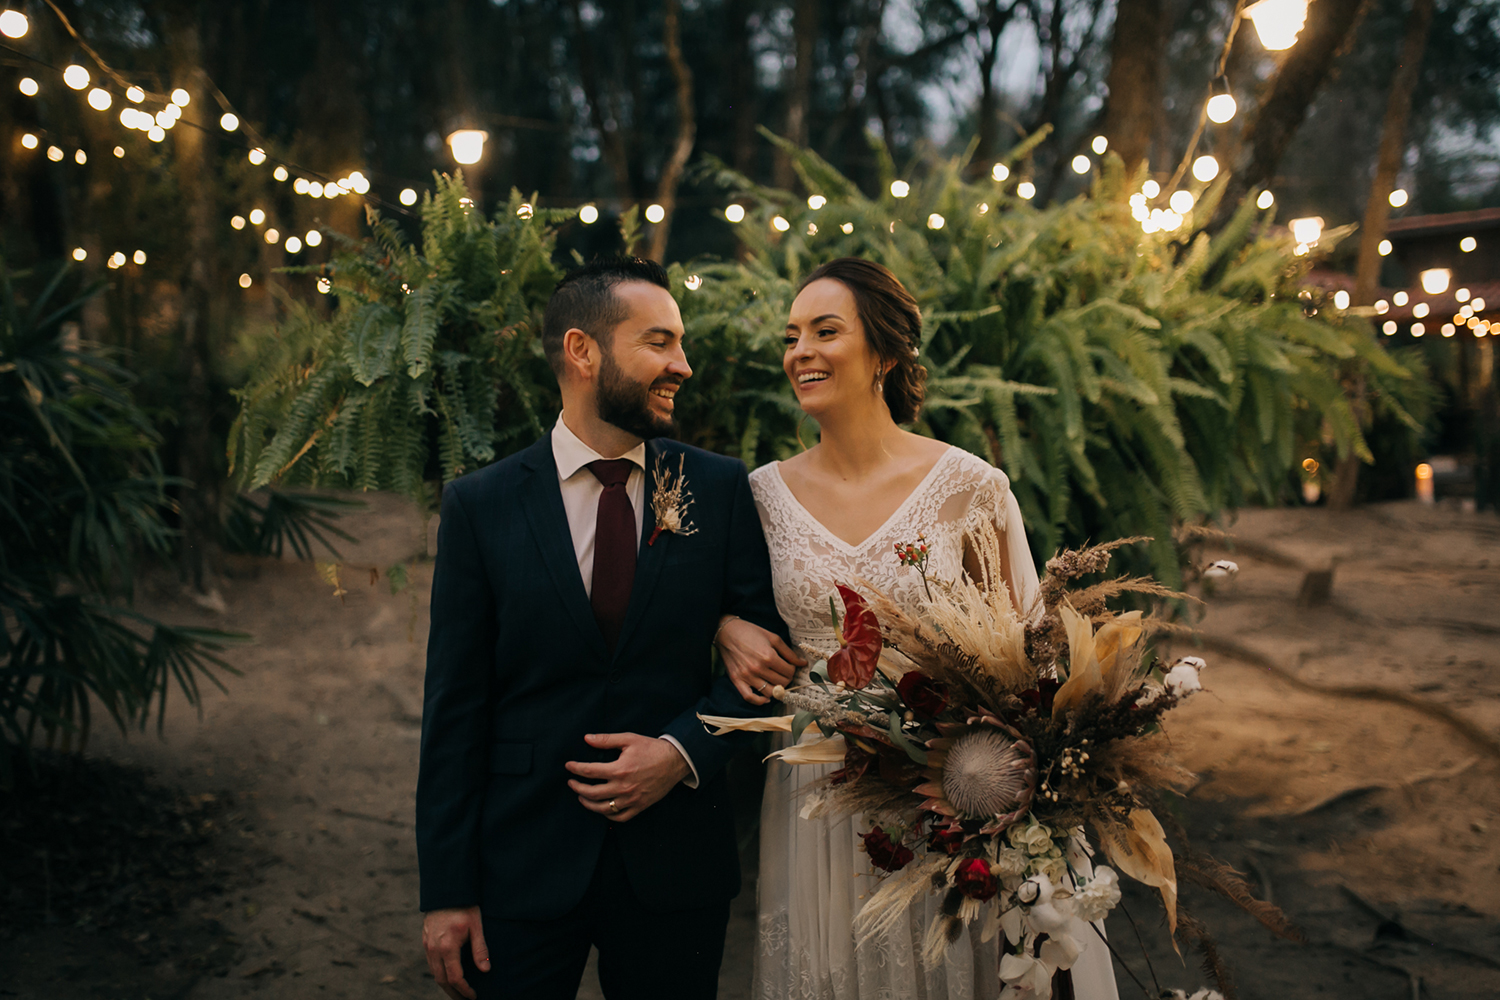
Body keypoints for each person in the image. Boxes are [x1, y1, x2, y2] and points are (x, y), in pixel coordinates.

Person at [725, 258, 1121, 1000]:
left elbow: (1031, 666)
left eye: (825, 331)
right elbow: (705, 597)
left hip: (944, 790)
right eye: (791, 336)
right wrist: (723, 626)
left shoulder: (968, 488)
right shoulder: (760, 497)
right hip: (818, 789)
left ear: (885, 353)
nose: (800, 350)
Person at [416, 256, 802, 1000]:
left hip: (676, 864)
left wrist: (682, 751)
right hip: (521, 861)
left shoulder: (716, 489)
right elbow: (454, 708)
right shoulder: (480, 506)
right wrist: (446, 890)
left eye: (681, 344)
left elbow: (765, 668)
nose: (682, 366)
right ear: (582, 351)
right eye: (659, 343)